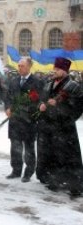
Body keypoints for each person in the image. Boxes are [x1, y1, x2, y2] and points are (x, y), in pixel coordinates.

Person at [36, 57, 83, 198]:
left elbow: (77, 106)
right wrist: (41, 105)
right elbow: (42, 99)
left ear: (64, 70)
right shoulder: (48, 83)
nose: (54, 71)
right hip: (49, 126)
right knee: (52, 154)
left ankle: (74, 184)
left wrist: (58, 108)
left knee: (68, 157)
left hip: (64, 128)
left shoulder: (73, 86)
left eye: (57, 69)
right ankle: (54, 179)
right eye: (54, 68)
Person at [5, 58, 43, 182]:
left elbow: (38, 101)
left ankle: (28, 171)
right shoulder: (13, 81)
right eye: (19, 65)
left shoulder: (37, 82)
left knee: (29, 148)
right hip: (14, 120)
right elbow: (8, 97)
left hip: (28, 121)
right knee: (15, 147)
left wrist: (25, 110)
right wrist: (8, 108)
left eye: (22, 66)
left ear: (29, 67)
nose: (19, 68)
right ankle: (16, 170)